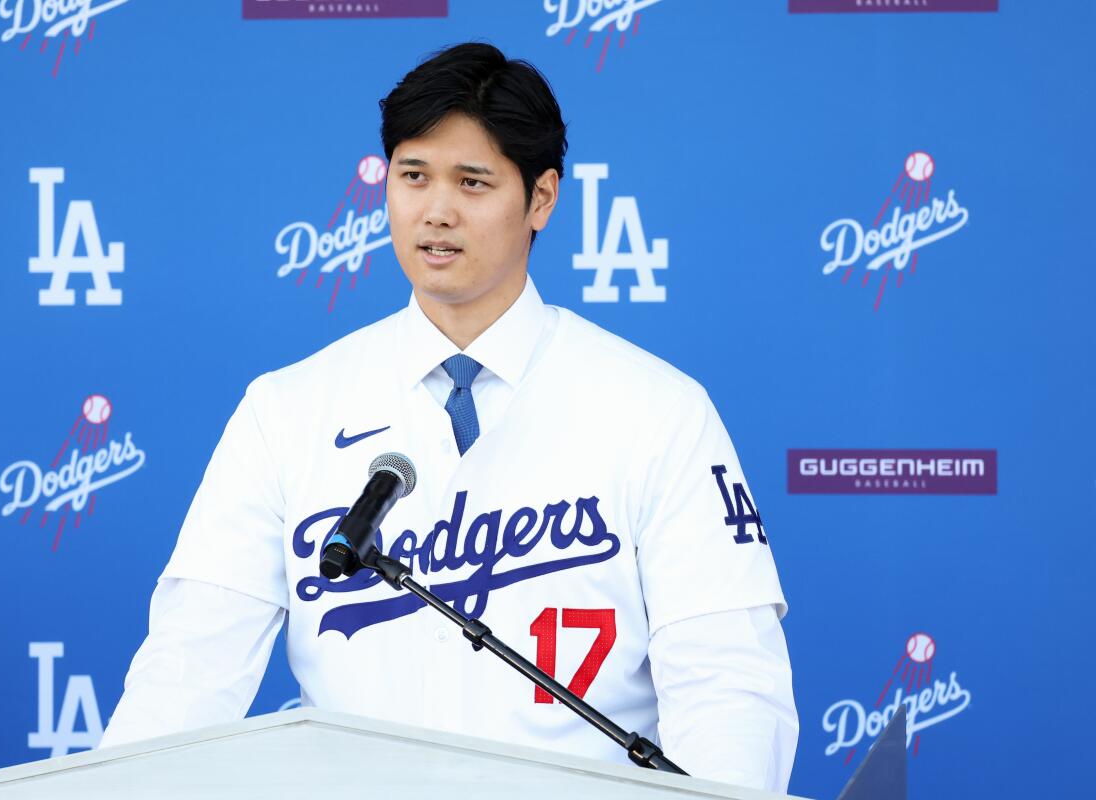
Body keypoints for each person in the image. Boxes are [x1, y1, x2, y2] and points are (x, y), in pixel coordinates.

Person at [101, 42, 798, 792]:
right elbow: (187, 671)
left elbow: (727, 683)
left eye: (473, 183)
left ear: (542, 199)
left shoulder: (658, 409)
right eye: (412, 177)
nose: (435, 211)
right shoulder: (287, 409)